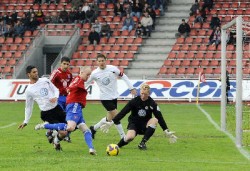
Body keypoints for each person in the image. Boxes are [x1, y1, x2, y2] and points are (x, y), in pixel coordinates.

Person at [35, 66, 96, 155]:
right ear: (81, 72)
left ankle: (91, 149)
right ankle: (45, 126)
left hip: (78, 108)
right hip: (74, 106)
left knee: (86, 130)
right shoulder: (78, 80)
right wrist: (69, 89)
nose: (88, 77)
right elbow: (71, 86)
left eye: (90, 75)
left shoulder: (80, 80)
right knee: (70, 127)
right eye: (87, 75)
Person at [100, 83, 177, 150]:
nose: (143, 96)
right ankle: (117, 146)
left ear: (149, 94)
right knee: (129, 137)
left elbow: (160, 117)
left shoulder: (152, 103)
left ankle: (142, 143)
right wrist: (112, 122)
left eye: (145, 94)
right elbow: (123, 112)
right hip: (134, 124)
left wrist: (166, 130)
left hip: (145, 124)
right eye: (142, 93)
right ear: (140, 92)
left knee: (155, 120)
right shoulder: (134, 101)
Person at [85, 54, 137, 139]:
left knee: (109, 119)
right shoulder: (94, 73)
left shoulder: (112, 69)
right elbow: (86, 83)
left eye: (103, 60)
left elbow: (123, 76)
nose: (101, 62)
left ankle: (93, 129)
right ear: (97, 62)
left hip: (114, 96)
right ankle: (123, 137)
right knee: (117, 116)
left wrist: (131, 88)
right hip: (105, 98)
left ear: (106, 60)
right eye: (99, 61)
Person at [18, 65, 68, 151]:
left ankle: (51, 134)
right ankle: (54, 138)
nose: (36, 73)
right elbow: (28, 107)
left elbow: (56, 89)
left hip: (57, 108)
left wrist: (56, 97)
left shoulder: (45, 80)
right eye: (34, 72)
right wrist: (26, 121)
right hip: (47, 113)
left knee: (69, 127)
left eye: (37, 71)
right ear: (28, 74)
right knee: (63, 132)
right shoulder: (29, 90)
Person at [50, 56, 73, 142]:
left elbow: (71, 86)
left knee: (68, 117)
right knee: (60, 116)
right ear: (61, 64)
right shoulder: (56, 72)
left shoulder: (69, 74)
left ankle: (65, 135)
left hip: (66, 98)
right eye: (64, 64)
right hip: (58, 98)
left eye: (67, 64)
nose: (66, 66)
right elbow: (49, 84)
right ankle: (52, 132)